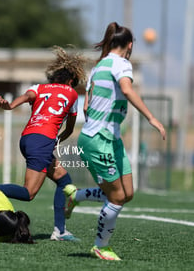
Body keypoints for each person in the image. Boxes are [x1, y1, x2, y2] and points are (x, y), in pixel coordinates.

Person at [0, 46, 87, 241]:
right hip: (42, 141)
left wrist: (9, 106)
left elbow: (27, 97)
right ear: (71, 82)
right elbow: (69, 129)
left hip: (28, 138)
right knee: (28, 193)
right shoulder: (70, 93)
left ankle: (60, 231)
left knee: (64, 180)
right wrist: (57, 140)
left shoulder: (39, 88)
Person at [64, 22, 166, 260]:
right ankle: (100, 245)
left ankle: (75, 196)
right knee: (117, 197)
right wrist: (152, 118)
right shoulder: (121, 63)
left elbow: (87, 106)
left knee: (127, 193)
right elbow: (127, 90)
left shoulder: (98, 67)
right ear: (129, 45)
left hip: (110, 139)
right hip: (99, 140)